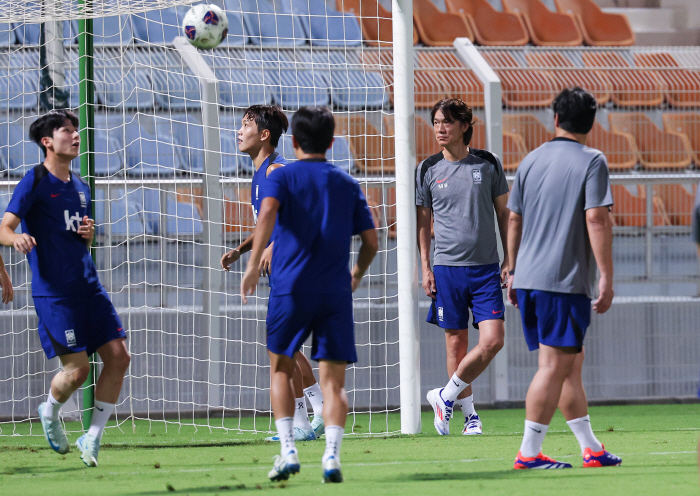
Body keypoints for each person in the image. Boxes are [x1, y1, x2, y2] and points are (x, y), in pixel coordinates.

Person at [240, 106, 377, 483]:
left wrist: (252, 265)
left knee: (280, 369)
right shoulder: (347, 182)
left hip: (290, 288)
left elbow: (267, 214)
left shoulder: (280, 177)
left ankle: (288, 451)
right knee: (334, 382)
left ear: (295, 141)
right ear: (332, 142)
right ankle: (331, 456)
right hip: (335, 292)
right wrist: (357, 274)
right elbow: (371, 241)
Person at [0, 109, 130, 467]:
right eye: (66, 131)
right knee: (78, 371)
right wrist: (17, 238)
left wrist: (87, 237)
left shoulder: (82, 187)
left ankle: (93, 437)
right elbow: (4, 227)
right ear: (47, 141)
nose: (75, 136)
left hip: (90, 288)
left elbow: (76, 240)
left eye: (76, 130)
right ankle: (50, 411)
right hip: (55, 294)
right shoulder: (35, 180)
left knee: (119, 358)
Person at [506, 87, 621, 469]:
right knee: (555, 365)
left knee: (570, 361)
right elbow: (596, 218)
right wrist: (605, 276)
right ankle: (528, 452)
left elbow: (514, 219)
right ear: (592, 123)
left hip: (530, 278)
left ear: (555, 118)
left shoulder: (530, 160)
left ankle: (590, 447)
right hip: (563, 280)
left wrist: (512, 270)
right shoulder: (593, 160)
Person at [220, 105, 325, 441]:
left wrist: (273, 246)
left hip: (298, 267)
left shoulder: (277, 170)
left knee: (282, 344)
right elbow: (270, 222)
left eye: (246, 124)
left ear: (264, 134)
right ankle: (313, 416)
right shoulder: (261, 173)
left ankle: (309, 419)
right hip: (287, 270)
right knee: (286, 346)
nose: (239, 131)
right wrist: (243, 248)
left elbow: (304, 217)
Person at [416, 99, 509, 436]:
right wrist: (425, 267)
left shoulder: (488, 163)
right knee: (456, 345)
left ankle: (445, 396)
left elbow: (504, 215)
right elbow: (423, 225)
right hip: (447, 269)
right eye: (437, 122)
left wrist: (510, 257)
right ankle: (470, 416)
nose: (440, 128)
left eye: (448, 123)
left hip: (486, 269)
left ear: (465, 126)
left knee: (493, 339)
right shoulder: (427, 168)